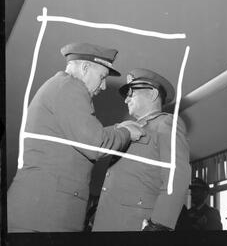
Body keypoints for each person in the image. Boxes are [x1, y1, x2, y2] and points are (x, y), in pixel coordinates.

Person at [7, 42, 144, 232]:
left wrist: (118, 127)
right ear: (85, 68)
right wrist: (127, 132)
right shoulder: (70, 87)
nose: (103, 86)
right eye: (102, 77)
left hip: (40, 212)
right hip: (44, 215)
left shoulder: (59, 87)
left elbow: (84, 135)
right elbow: (96, 144)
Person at [92, 68, 191, 231]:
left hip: (135, 224)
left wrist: (160, 225)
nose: (126, 100)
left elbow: (177, 175)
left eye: (130, 92)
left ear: (152, 94)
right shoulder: (126, 129)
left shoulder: (166, 124)